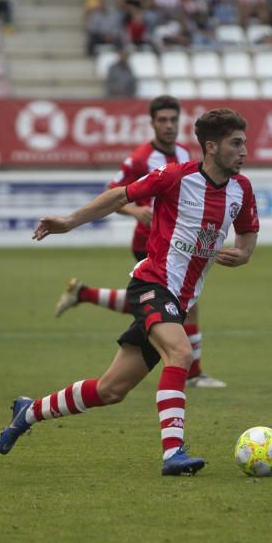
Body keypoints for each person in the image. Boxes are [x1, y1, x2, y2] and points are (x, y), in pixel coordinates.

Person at [0, 108, 259, 475]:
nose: (244, 150)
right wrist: (70, 222)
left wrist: (245, 253)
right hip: (152, 283)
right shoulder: (175, 177)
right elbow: (120, 195)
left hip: (180, 300)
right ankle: (173, 454)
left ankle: (28, 412)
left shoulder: (241, 190)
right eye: (236, 143)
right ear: (211, 147)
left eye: (244, 142)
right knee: (180, 352)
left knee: (110, 390)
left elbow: (248, 233)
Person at [53, 96, 226, 388]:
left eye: (173, 120)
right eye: (163, 120)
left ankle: (83, 294)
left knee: (161, 304)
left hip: (181, 243)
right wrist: (134, 210)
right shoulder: (140, 158)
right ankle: (194, 373)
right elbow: (115, 193)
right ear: (152, 123)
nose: (169, 126)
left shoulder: (185, 153)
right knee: (180, 305)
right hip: (150, 242)